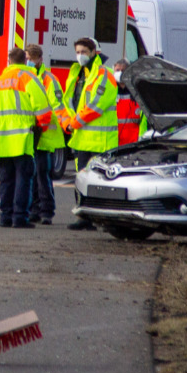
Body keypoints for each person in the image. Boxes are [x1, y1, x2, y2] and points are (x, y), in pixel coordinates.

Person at [0, 47, 51, 229]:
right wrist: (42, 127)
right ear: (24, 61)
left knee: (6, 179)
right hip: (22, 138)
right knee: (24, 178)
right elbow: (43, 108)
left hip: (2, 140)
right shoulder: (29, 78)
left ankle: (5, 217)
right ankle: (19, 217)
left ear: (10, 61)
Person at [62, 38, 118, 230]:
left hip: (99, 141)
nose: (80, 55)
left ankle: (103, 219)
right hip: (81, 138)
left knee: (101, 183)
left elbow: (96, 105)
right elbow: (67, 100)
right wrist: (66, 121)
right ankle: (84, 217)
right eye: (78, 51)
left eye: (84, 51)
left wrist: (74, 122)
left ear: (94, 52)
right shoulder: (78, 73)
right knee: (81, 180)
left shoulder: (104, 74)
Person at [26, 43, 64, 225]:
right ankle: (34, 210)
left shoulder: (49, 79)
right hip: (30, 133)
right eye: (26, 59)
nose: (29, 62)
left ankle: (47, 211)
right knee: (32, 174)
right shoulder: (25, 77)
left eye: (31, 59)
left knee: (43, 174)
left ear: (40, 60)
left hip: (45, 133)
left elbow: (57, 104)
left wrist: (65, 123)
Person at [113, 58, 144, 146]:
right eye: (117, 70)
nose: (120, 72)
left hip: (133, 140)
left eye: (123, 70)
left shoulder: (137, 91)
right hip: (115, 140)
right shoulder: (111, 89)